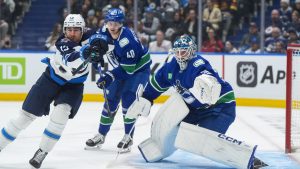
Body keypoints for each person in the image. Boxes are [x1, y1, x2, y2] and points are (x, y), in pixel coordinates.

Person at [125, 35, 267, 168]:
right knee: (177, 131)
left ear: (192, 52)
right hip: (196, 107)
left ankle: (247, 158)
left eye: (184, 52)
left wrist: (205, 83)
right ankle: (158, 146)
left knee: (200, 140)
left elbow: (209, 86)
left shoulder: (199, 65)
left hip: (220, 107)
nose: (180, 56)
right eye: (178, 52)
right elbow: (155, 86)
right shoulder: (170, 67)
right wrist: (146, 98)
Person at [0, 14, 104, 169]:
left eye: (76, 30)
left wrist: (101, 46)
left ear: (83, 30)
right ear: (64, 30)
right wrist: (88, 52)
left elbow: (105, 39)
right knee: (24, 118)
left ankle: (43, 151)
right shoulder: (62, 42)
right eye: (69, 29)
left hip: (73, 86)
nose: (72, 33)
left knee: (60, 115)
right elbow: (73, 59)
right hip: (50, 79)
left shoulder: (90, 34)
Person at [84, 8, 151, 153]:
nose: (112, 26)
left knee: (128, 99)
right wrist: (95, 57)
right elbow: (94, 44)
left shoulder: (128, 41)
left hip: (138, 70)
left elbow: (128, 71)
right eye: (110, 23)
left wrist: (109, 76)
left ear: (121, 23)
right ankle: (101, 135)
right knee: (110, 98)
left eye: (116, 23)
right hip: (121, 66)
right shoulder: (104, 30)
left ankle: (128, 136)